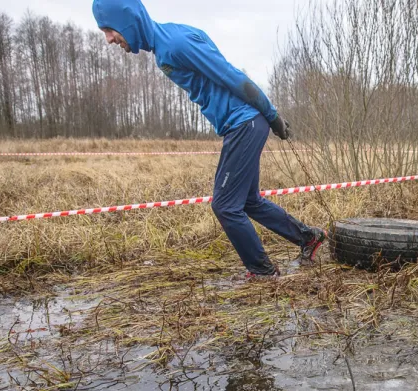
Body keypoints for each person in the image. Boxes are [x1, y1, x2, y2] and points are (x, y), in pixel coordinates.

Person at [92, 0, 327, 279]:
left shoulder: (175, 44)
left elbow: (232, 76)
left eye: (108, 30)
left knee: (225, 205)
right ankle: (308, 237)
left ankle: (262, 272)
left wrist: (272, 115)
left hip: (244, 123)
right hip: (240, 125)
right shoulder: (166, 42)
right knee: (247, 201)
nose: (108, 39)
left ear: (127, 20)